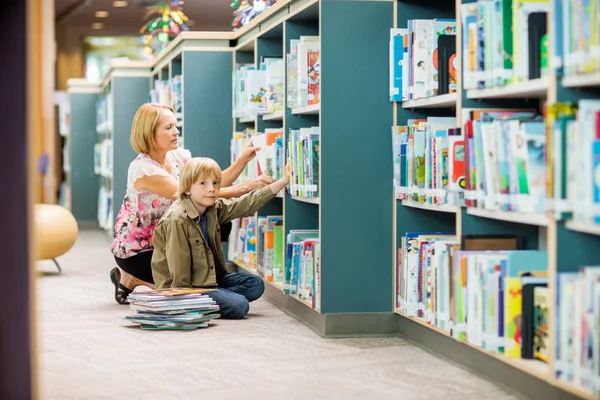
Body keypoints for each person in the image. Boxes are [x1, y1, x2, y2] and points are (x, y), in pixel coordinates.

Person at [109, 103, 274, 305]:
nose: (176, 131)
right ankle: (138, 278)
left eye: (175, 125)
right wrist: (249, 186)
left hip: (176, 237)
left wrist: (242, 160)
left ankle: (202, 285)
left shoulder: (178, 156)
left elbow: (210, 184)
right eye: (168, 127)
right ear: (149, 133)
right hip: (142, 252)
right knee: (193, 284)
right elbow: (190, 195)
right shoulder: (143, 170)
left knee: (221, 220)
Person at [151, 157, 291, 319]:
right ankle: (208, 299)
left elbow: (244, 204)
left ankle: (216, 297)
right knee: (239, 306)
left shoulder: (211, 208)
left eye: (215, 183)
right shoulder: (177, 220)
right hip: (187, 287)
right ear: (187, 189)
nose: (211, 189)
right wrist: (184, 301)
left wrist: (283, 181)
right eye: (203, 184)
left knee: (256, 285)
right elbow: (178, 268)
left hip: (210, 278)